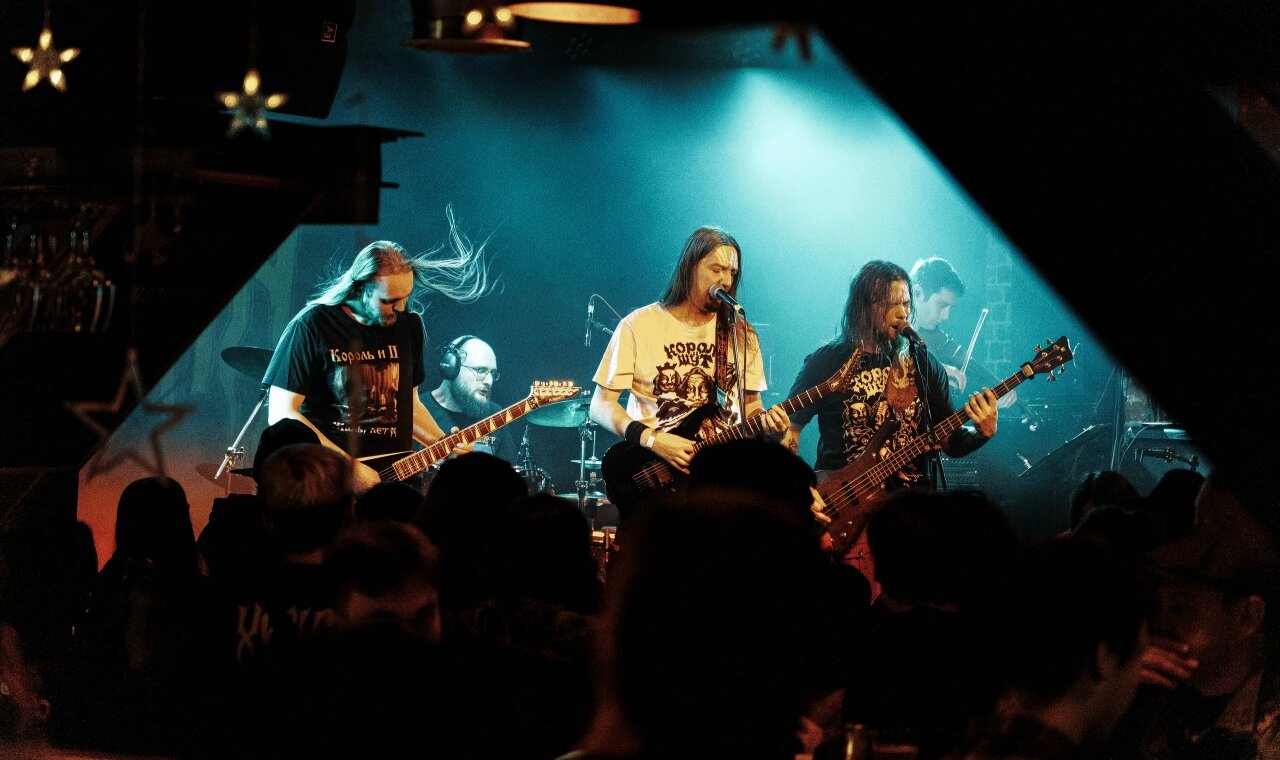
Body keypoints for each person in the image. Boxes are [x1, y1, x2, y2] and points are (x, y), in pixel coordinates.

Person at [262, 209, 494, 492]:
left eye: (405, 298)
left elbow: (408, 405)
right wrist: (347, 468)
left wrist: (441, 443)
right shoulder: (313, 324)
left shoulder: (408, 325)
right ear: (361, 288)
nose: (401, 308)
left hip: (394, 476)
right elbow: (282, 414)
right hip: (327, 479)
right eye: (389, 301)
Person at [588, 226, 788, 517]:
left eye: (732, 272)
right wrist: (653, 440)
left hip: (722, 485)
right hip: (659, 480)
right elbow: (600, 406)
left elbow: (751, 408)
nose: (726, 280)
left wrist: (771, 427)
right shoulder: (638, 326)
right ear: (690, 267)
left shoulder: (740, 334)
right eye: (716, 269)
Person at [783, 259, 999, 492]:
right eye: (891, 304)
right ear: (864, 307)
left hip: (910, 505)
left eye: (906, 303)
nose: (902, 313)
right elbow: (790, 428)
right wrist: (800, 489)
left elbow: (950, 442)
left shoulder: (924, 364)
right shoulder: (826, 361)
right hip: (842, 500)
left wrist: (981, 433)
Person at [909, 255, 1017, 409]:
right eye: (941, 305)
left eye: (950, 308)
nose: (946, 316)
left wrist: (995, 388)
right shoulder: (885, 331)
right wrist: (937, 370)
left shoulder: (935, 339)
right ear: (917, 292)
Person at [421, 334, 513, 463]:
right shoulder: (415, 411)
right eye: (481, 370)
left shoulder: (495, 414)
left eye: (492, 373)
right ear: (452, 367)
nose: (489, 381)